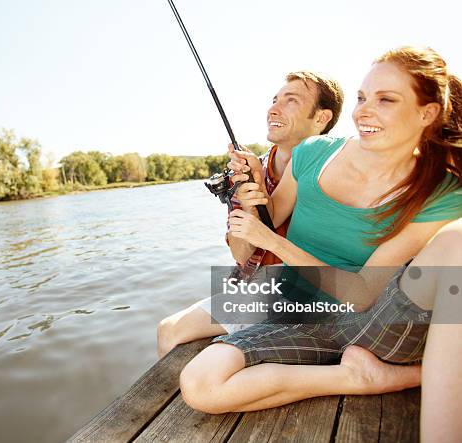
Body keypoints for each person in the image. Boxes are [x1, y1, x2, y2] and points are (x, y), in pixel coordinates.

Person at [178, 46, 462, 435]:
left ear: (426, 113)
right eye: (362, 97)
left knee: (456, 244)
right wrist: (248, 195)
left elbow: (361, 294)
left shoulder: (442, 191)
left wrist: (274, 244)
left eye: (386, 100)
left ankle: (404, 374)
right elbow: (252, 244)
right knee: (199, 383)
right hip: (296, 310)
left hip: (371, 318)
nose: (364, 110)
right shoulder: (312, 154)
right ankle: (359, 377)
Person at [157, 71, 344, 357]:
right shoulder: (248, 171)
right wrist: (249, 206)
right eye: (274, 100)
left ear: (321, 118)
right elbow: (242, 254)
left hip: (314, 294)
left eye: (291, 100)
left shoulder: (337, 168)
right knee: (169, 330)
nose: (273, 109)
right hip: (260, 286)